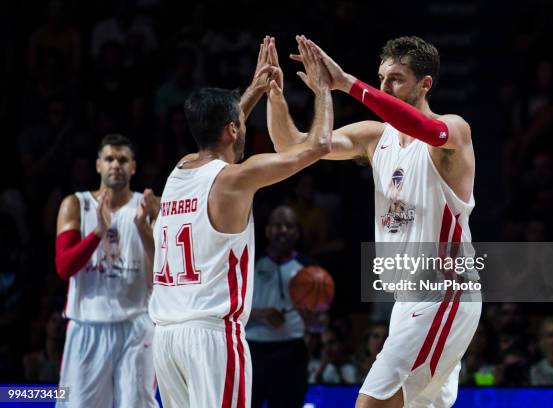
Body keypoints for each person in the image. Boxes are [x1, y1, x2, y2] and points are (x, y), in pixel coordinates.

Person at [267, 35, 481, 407]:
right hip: (406, 300)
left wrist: (346, 83)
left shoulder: (453, 131)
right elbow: (294, 147)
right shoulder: (374, 137)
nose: (384, 87)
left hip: (443, 294)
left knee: (370, 404)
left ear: (425, 83)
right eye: (381, 78)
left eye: (396, 78)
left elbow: (427, 130)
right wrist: (275, 95)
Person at [148, 36, 333, 408]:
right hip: (213, 337)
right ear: (233, 128)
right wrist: (324, 89)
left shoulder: (179, 170)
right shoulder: (234, 179)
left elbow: (221, 133)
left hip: (166, 338)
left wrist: (254, 90)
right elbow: (319, 146)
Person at [54, 133, 159, 407]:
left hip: (136, 326)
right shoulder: (75, 204)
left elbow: (160, 277)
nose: (116, 165)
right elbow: (64, 268)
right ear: (98, 165)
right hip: (87, 325)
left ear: (133, 167)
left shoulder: (148, 207)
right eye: (110, 158)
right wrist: (97, 234)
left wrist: (146, 231)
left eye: (123, 159)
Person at [246, 205, 312, 408]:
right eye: (277, 225)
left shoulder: (310, 269)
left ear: (298, 232)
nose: (283, 230)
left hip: (292, 352)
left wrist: (314, 319)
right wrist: (261, 313)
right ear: (267, 230)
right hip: (252, 351)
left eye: (289, 226)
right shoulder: (249, 262)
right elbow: (226, 309)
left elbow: (319, 326)